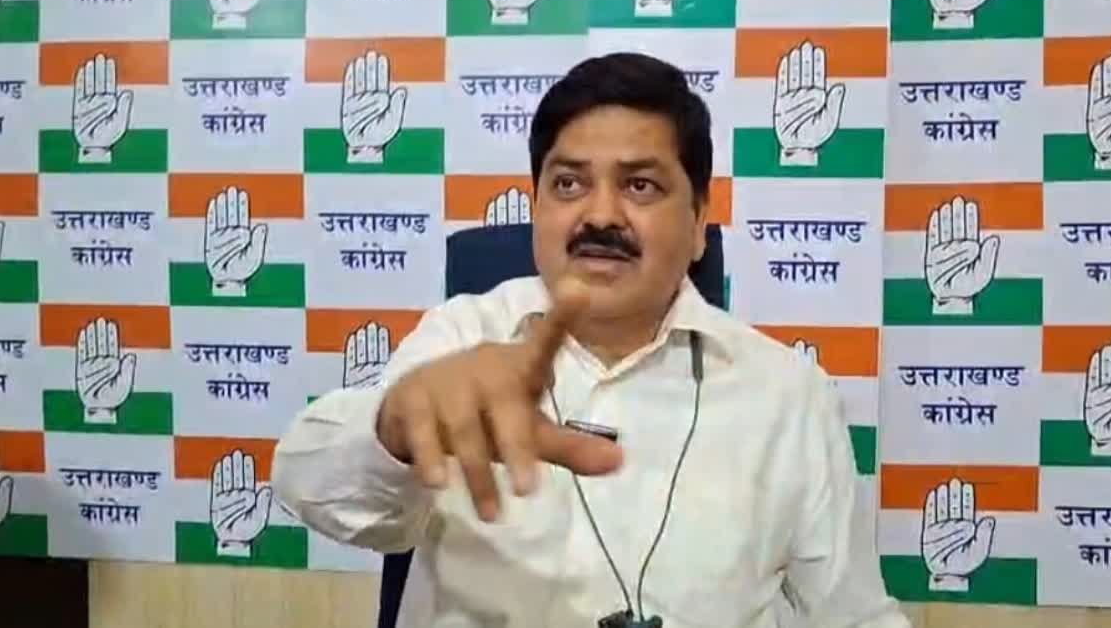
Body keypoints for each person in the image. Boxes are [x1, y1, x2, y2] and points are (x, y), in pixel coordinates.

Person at [272, 52, 911, 627]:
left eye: (640, 185)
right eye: (569, 184)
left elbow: (853, 615)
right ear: (536, 208)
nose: (600, 215)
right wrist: (395, 428)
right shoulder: (463, 338)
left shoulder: (788, 394)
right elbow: (310, 483)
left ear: (698, 222)